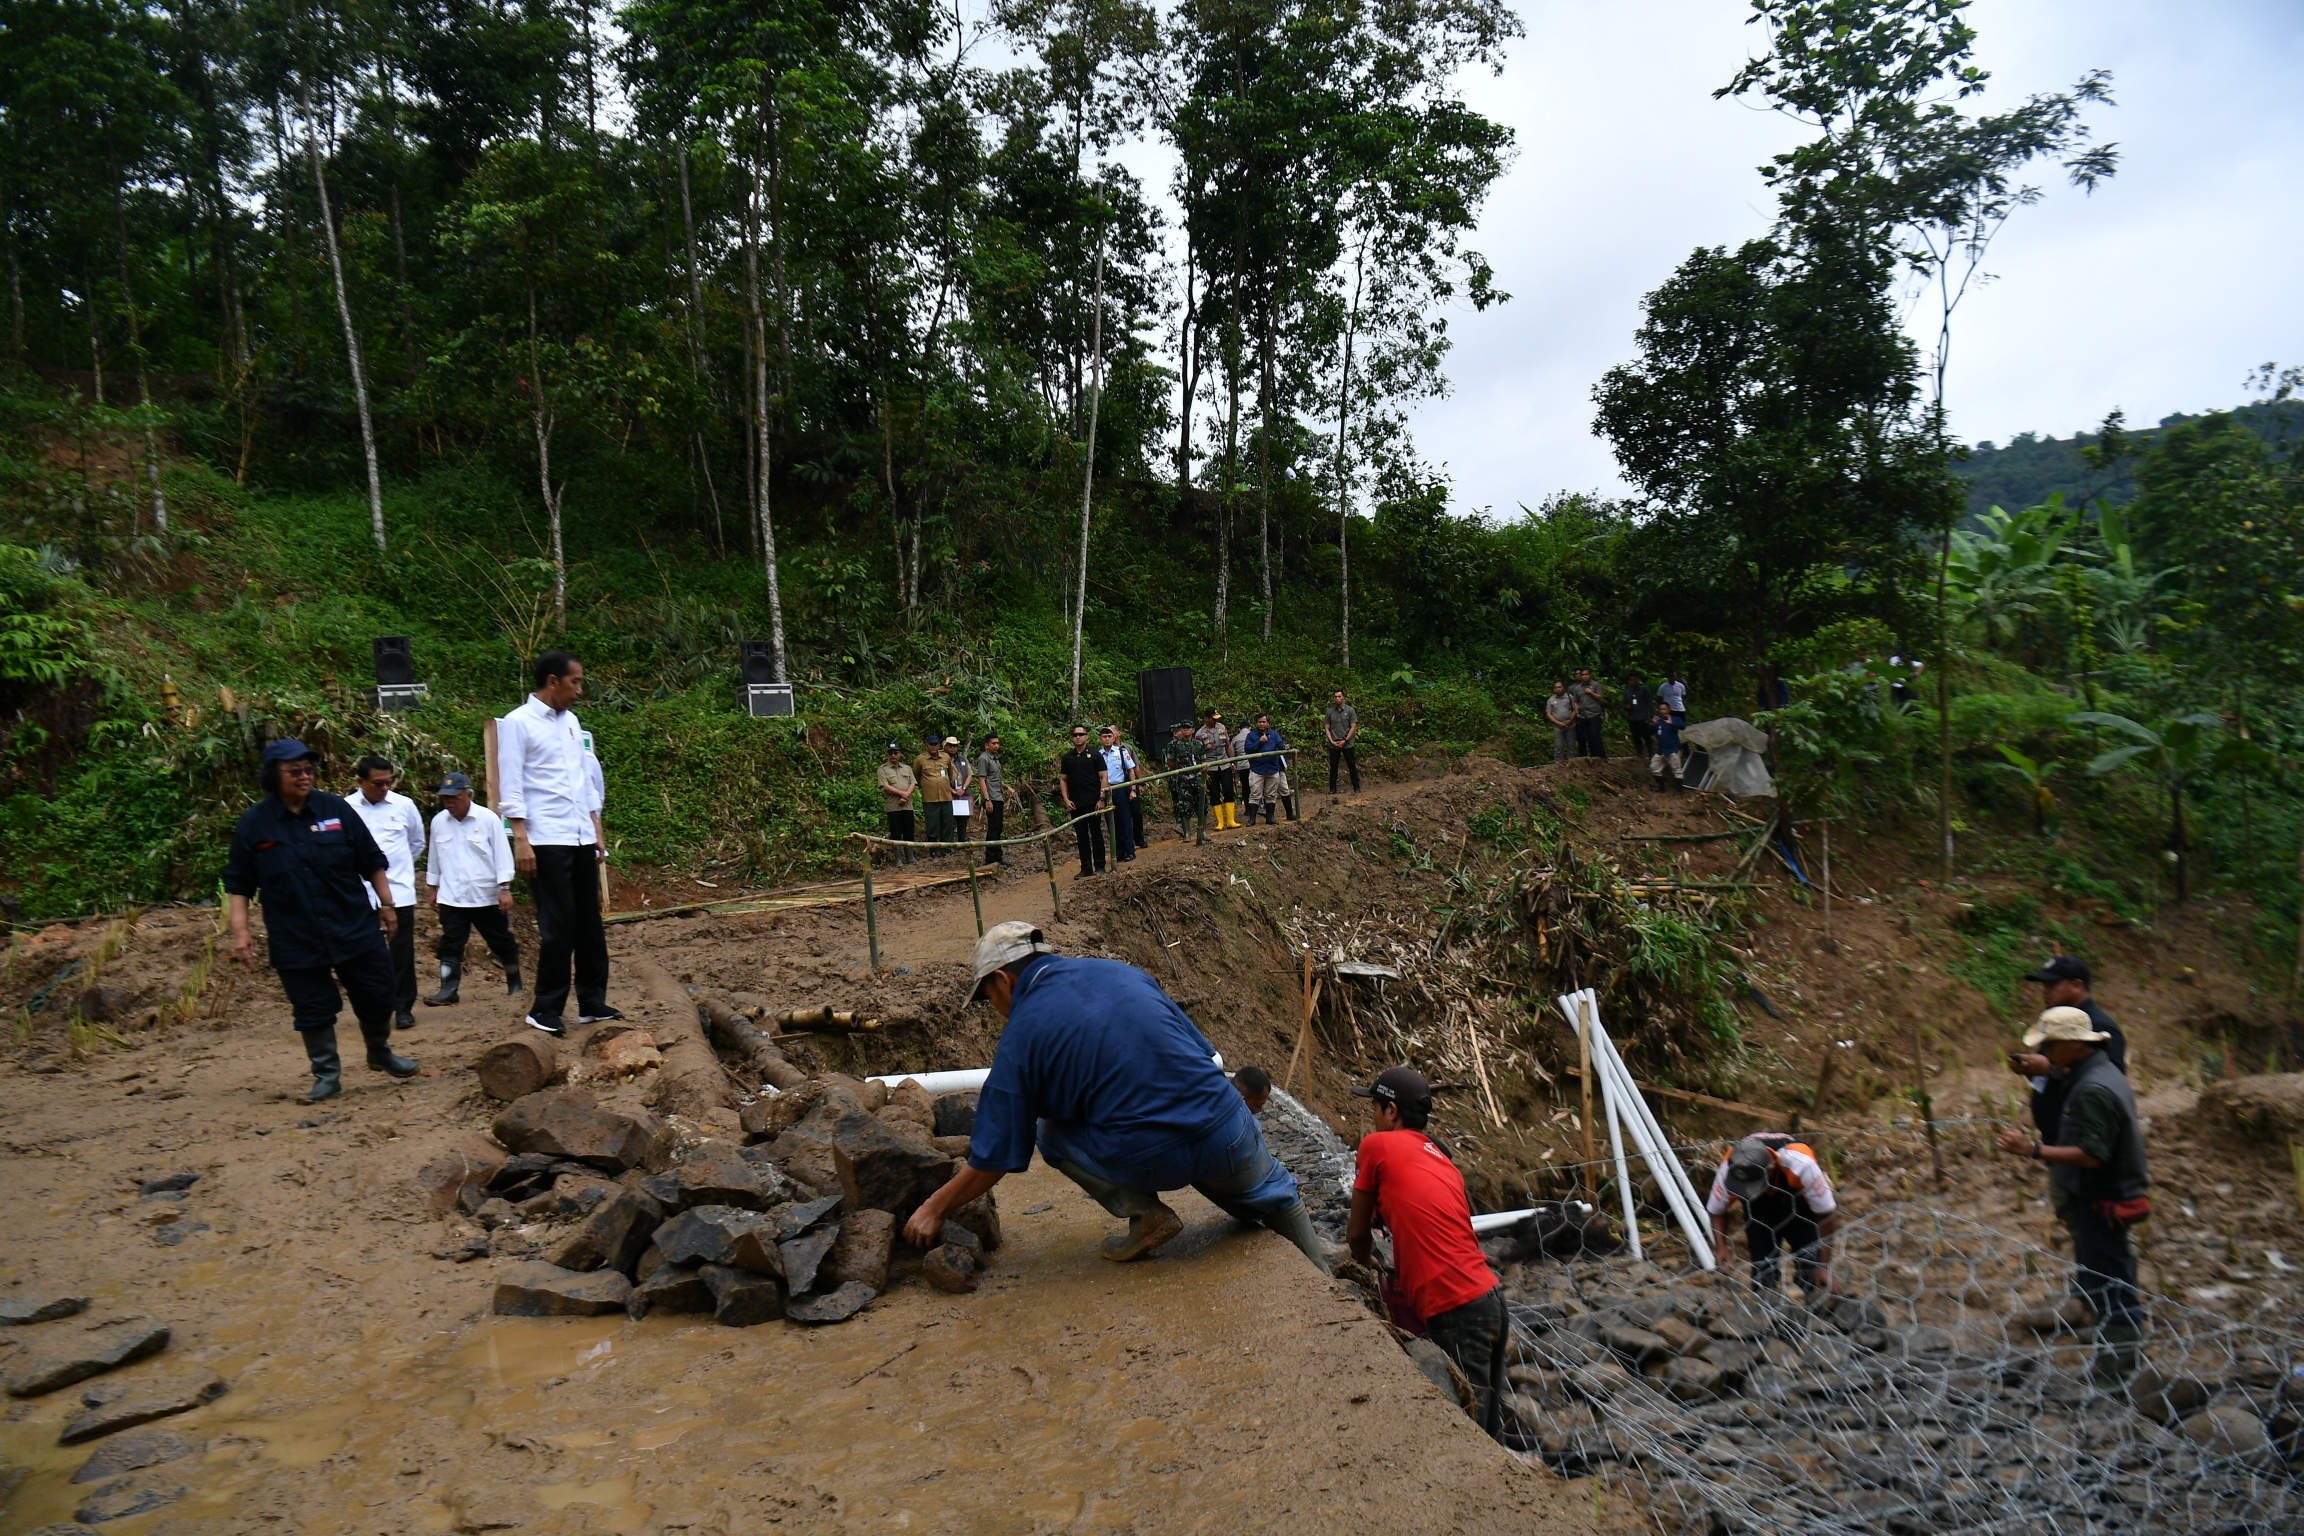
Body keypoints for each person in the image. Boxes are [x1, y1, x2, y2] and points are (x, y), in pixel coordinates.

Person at [904, 923, 1327, 1272]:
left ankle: (1146, 1215)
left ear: (1002, 980)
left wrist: (934, 1208)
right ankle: (1325, 1277)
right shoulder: (1124, 973)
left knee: (1050, 1132)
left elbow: (993, 1156)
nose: (995, 1008)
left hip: (1148, 1159)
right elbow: (1204, 1056)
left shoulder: (1021, 1035)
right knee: (1274, 1194)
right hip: (1227, 1133)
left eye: (988, 997)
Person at [224, 739, 420, 1101]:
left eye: (309, 770)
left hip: (353, 923)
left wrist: (388, 905)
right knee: (312, 1006)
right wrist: (241, 933)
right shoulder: (255, 824)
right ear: (272, 776)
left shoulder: (335, 809)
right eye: (294, 771)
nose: (304, 777)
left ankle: (380, 1052)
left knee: (378, 992)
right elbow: (238, 883)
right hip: (294, 933)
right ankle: (327, 1073)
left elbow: (371, 859)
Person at [1346, 1066, 1509, 1443]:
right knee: (1488, 1424)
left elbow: (1356, 1233)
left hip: (1455, 1307)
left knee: (1471, 1434)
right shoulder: (1442, 1157)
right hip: (1489, 1300)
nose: (1372, 1117)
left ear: (1391, 1112)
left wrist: (1363, 1260)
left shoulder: (1377, 1145)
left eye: (1375, 1107)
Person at [1993, 1006, 2151, 1386]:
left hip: (2104, 1203)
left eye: (2049, 1044)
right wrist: (2042, 1069)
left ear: (2072, 1045)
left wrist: (2031, 1149)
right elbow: (2065, 1074)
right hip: (2098, 1200)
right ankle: (2110, 1362)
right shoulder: (2097, 1071)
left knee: (2113, 1288)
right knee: (2101, 1280)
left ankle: (2119, 1376)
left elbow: (2092, 1154)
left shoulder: (2094, 1090)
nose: (2044, 1049)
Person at [499, 649, 620, 1038]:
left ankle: (592, 1001)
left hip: (579, 834)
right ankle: (545, 1008)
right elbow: (511, 783)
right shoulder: (518, 723)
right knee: (558, 923)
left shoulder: (572, 723)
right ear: (553, 681)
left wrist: (595, 829)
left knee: (588, 920)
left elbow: (583, 781)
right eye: (575, 682)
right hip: (545, 836)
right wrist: (521, 839)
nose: (580, 690)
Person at [421, 772, 521, 1006]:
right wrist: (433, 887)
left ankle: (514, 981)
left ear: (469, 795)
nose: (450, 803)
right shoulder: (439, 822)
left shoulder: (487, 819)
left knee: (501, 941)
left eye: (454, 797)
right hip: (452, 894)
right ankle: (448, 988)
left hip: (485, 895)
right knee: (450, 943)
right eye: (445, 798)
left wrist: (504, 887)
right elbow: (434, 857)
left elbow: (502, 855)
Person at [347, 754, 426, 1030]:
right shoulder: (346, 809)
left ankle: (403, 1007)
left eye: (388, 782)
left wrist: (400, 870)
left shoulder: (404, 805)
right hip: (360, 894)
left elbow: (416, 842)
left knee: (400, 951)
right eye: (378, 783)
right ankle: (373, 1007)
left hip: (399, 891)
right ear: (360, 782)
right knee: (365, 953)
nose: (384, 788)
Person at [2009, 955, 2127, 1139]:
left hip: (2084, 1139)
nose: (2045, 991)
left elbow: (2108, 1085)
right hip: (2059, 1135)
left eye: (2052, 985)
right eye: (2043, 985)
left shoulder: (2099, 1025)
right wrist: (2030, 1069)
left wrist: (2048, 1070)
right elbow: (2057, 1076)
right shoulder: (2056, 1021)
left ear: (2077, 986)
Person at [1705, 1132, 1839, 1294]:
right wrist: (1721, 1247)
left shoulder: (1801, 1163)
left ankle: (1816, 1300)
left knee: (1811, 1266)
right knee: (1763, 1272)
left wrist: (1824, 1267)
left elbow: (1826, 1213)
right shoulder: (1731, 1166)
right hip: (1759, 1212)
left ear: (1771, 1168)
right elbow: (1716, 1210)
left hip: (1799, 1207)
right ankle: (1767, 1305)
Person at [1058, 726, 1107, 877]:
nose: (1078, 737)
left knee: (1096, 834)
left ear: (1087, 736)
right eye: (1075, 735)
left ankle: (1100, 865)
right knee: (1081, 836)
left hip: (1093, 802)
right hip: (1076, 803)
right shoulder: (1068, 758)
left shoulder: (1095, 755)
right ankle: (1086, 867)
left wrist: (1102, 798)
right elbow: (1063, 779)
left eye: (1081, 734)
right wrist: (1066, 799)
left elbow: (1104, 776)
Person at [1098, 724, 1141, 863]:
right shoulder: (1098, 755)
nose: (1107, 739)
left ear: (1114, 737)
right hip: (1105, 791)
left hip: (1120, 788)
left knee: (1125, 820)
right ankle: (1119, 851)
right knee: (1112, 822)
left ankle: (1130, 850)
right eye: (1104, 737)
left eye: (1109, 736)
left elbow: (1131, 770)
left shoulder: (1121, 752)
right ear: (1101, 739)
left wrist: (1133, 788)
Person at [1162, 720, 1208, 844]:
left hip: (1198, 778)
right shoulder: (1175, 745)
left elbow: (1203, 760)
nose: (1186, 730)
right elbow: (1171, 762)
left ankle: (1202, 831)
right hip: (1183, 779)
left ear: (1193, 730)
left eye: (1188, 728)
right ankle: (1187, 832)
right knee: (1184, 806)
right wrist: (1180, 772)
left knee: (1202, 804)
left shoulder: (1198, 744)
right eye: (1184, 728)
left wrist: (1204, 773)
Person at [1242, 714, 1290, 825]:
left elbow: (1280, 744)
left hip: (1272, 768)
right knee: (1255, 793)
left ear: (1268, 723)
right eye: (1260, 722)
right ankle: (1252, 819)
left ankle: (1270, 817)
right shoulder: (1251, 736)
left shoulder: (1273, 734)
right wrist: (1259, 742)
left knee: (1271, 794)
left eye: (1264, 722)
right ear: (1256, 723)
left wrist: (1284, 746)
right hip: (1257, 769)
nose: (1262, 724)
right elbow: (1248, 749)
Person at [877, 743, 918, 866]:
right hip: (893, 806)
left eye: (895, 753)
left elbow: (913, 783)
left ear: (900, 754)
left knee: (909, 831)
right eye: (891, 753)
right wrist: (902, 794)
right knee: (895, 832)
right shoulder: (883, 769)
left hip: (907, 805)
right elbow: (885, 786)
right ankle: (898, 858)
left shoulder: (907, 768)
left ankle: (910, 856)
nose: (893, 755)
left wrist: (906, 795)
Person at [915, 736, 956, 853]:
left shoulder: (946, 757)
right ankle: (933, 849)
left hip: (945, 796)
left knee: (947, 823)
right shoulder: (920, 759)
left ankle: (946, 849)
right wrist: (927, 785)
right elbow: (916, 776)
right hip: (930, 798)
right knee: (932, 824)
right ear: (926, 745)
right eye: (930, 744)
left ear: (939, 745)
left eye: (935, 744)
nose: (933, 747)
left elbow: (950, 774)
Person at [1199, 711, 1238, 831]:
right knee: (1214, 793)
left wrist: (1232, 762)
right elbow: (1199, 754)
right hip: (1211, 766)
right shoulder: (1200, 734)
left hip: (1224, 763)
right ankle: (1220, 822)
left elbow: (1227, 745)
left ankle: (1231, 820)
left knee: (1228, 790)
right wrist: (1203, 771)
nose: (1215, 721)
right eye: (1213, 718)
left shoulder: (1222, 728)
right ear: (1206, 718)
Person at [973, 736, 1006, 865]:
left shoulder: (995, 759)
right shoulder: (984, 759)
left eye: (998, 743)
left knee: (998, 827)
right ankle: (991, 858)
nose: (996, 746)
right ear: (987, 745)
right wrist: (987, 799)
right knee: (993, 828)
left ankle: (998, 856)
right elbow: (982, 780)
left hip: (998, 796)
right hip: (991, 797)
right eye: (993, 743)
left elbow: (994, 778)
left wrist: (1006, 787)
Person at [1324, 689, 1362, 797]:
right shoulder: (1330, 712)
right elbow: (1327, 728)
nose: (1337, 698)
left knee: (1351, 765)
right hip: (1334, 744)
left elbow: (1353, 727)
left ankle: (1356, 787)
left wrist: (1345, 741)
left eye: (1339, 696)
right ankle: (1332, 789)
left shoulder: (1350, 711)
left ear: (1343, 697)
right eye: (1335, 697)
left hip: (1347, 743)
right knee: (1334, 767)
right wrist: (1331, 741)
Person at [1568, 668, 1608, 760]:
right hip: (1583, 715)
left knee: (1595, 735)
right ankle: (1589, 757)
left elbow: (1601, 698)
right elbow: (1576, 701)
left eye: (1586, 674)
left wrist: (1591, 692)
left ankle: (1602, 756)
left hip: (1594, 714)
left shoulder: (1595, 685)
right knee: (1585, 737)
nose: (1584, 676)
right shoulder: (1577, 688)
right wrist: (1576, 712)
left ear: (1590, 675)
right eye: (1583, 675)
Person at [1649, 699, 1685, 794]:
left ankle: (1679, 790)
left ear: (1669, 710)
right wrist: (1653, 724)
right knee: (1654, 767)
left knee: (1676, 769)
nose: (1663, 711)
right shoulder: (1659, 721)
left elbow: (1683, 726)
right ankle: (1661, 787)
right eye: (1661, 709)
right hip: (1662, 750)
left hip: (1673, 749)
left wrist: (1672, 723)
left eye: (1664, 709)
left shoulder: (1674, 718)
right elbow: (1649, 733)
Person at [1623, 673, 1657, 762]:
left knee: (1647, 736)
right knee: (1636, 737)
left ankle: (1651, 754)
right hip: (1632, 718)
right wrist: (1627, 707)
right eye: (1631, 680)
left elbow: (1650, 703)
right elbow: (1623, 705)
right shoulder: (1627, 692)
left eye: (1635, 680)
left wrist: (1652, 715)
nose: (1633, 682)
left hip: (1643, 717)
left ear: (1638, 680)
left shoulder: (1644, 689)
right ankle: (1640, 754)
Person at [1544, 681, 1576, 765]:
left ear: (1563, 687)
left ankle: (1572, 763)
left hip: (1570, 725)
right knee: (1558, 746)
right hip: (1557, 726)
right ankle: (1558, 764)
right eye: (1556, 687)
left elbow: (1575, 710)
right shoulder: (1551, 700)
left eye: (1559, 687)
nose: (1558, 689)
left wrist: (1570, 720)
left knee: (1571, 745)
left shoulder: (1569, 697)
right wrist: (1557, 722)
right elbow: (1548, 713)